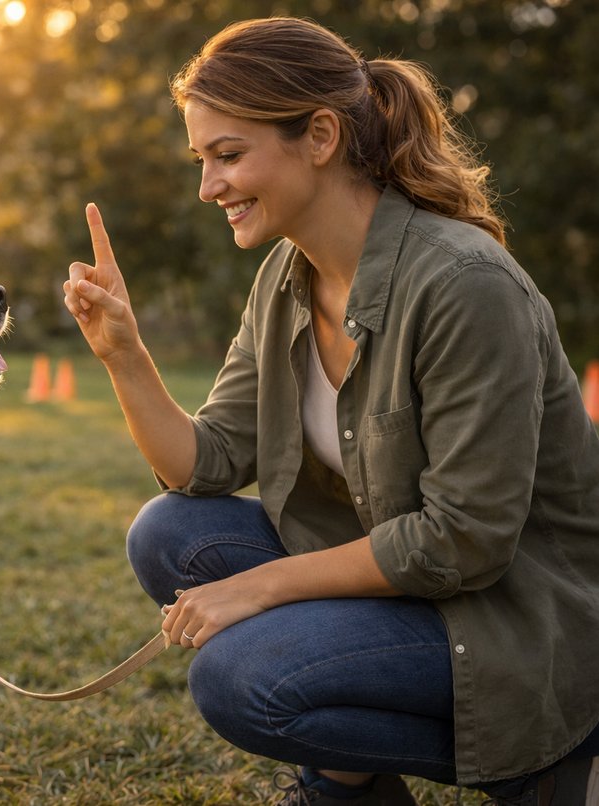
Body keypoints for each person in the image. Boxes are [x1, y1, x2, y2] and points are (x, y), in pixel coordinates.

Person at [63, 17, 599, 806]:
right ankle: (353, 785)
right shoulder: (287, 273)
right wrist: (123, 353)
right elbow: (204, 464)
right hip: (411, 591)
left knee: (242, 678)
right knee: (168, 533)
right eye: (201, 160)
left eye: (228, 155)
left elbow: (467, 540)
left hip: (511, 618)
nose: (208, 187)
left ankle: (550, 760)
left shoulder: (462, 283)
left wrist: (264, 586)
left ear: (318, 136)